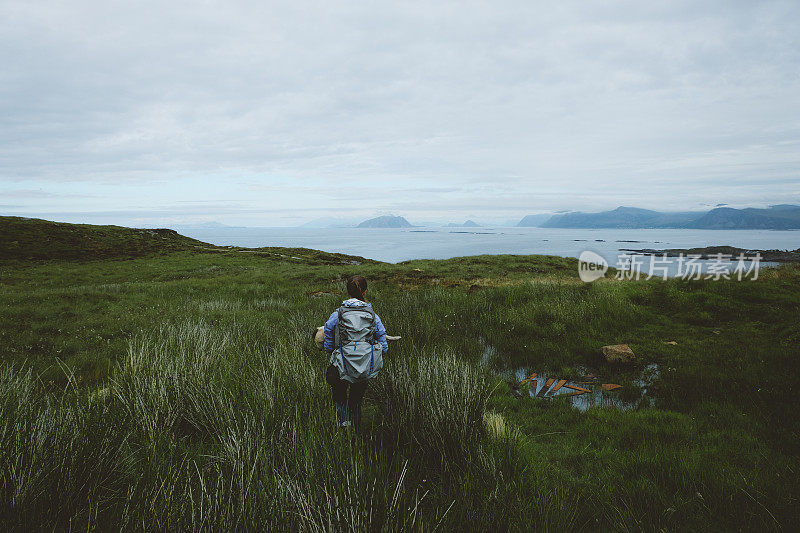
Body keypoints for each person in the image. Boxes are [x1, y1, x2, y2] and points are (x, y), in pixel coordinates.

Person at [323, 275, 388, 429]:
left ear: (348, 292)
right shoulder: (372, 314)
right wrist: (382, 351)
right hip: (365, 364)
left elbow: (328, 329)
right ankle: (356, 430)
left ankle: (343, 425)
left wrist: (330, 349)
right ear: (365, 292)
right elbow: (381, 336)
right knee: (356, 399)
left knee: (339, 395)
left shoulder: (338, 313)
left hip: (342, 364)